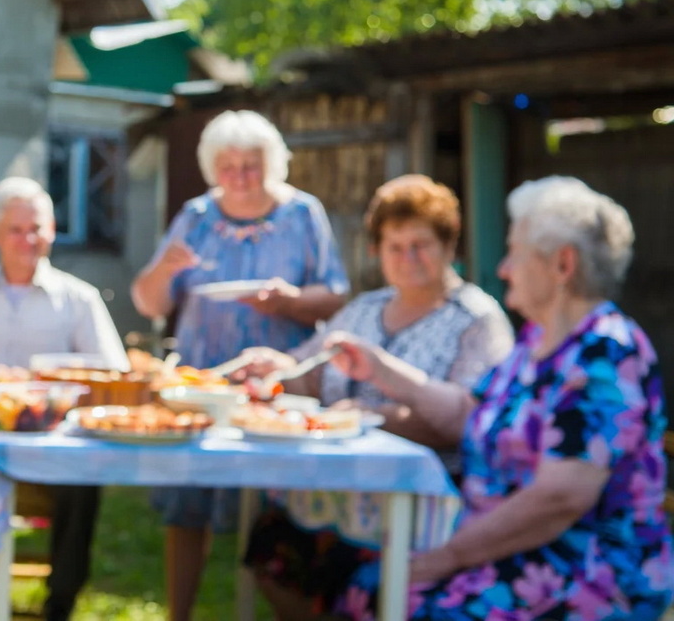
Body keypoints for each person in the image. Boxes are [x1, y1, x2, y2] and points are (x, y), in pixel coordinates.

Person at [327, 176, 673, 620]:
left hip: (583, 570)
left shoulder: (604, 354)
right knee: (361, 582)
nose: (504, 268)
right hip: (508, 552)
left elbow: (560, 499)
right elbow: (467, 412)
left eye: (515, 253)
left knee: (392, 600)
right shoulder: (535, 342)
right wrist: (381, 369)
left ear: (562, 265)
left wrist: (449, 556)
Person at [237, 174, 515, 618]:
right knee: (274, 551)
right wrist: (275, 368)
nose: (408, 258)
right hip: (335, 489)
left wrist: (376, 415)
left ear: (449, 246)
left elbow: (472, 419)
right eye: (395, 247)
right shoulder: (365, 309)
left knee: (369, 590)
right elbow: (308, 375)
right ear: (377, 250)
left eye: (421, 245)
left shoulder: (477, 319)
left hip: (423, 500)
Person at [130, 110, 350, 620]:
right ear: (212, 168)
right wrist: (164, 268)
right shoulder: (196, 217)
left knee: (279, 511)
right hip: (202, 386)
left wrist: (291, 301)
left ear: (273, 163)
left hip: (277, 387)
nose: (241, 177)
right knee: (189, 506)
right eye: (228, 166)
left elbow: (335, 294)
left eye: (252, 164)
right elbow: (149, 300)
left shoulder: (303, 214)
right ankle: (179, 615)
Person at [0, 175, 129, 621]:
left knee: (83, 483)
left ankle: (60, 603)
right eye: (16, 230)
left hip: (56, 446)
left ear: (53, 231)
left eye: (36, 228)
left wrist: (57, 382)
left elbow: (113, 375)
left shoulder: (79, 299)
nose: (28, 240)